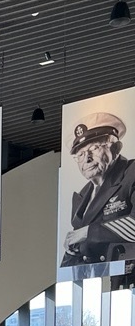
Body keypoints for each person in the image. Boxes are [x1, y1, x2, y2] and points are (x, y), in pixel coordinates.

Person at [60, 113, 135, 276]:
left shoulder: (131, 173)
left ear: (116, 148)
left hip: (126, 279)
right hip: (95, 282)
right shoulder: (82, 197)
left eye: (94, 148)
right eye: (80, 154)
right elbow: (77, 249)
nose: (86, 159)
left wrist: (87, 232)